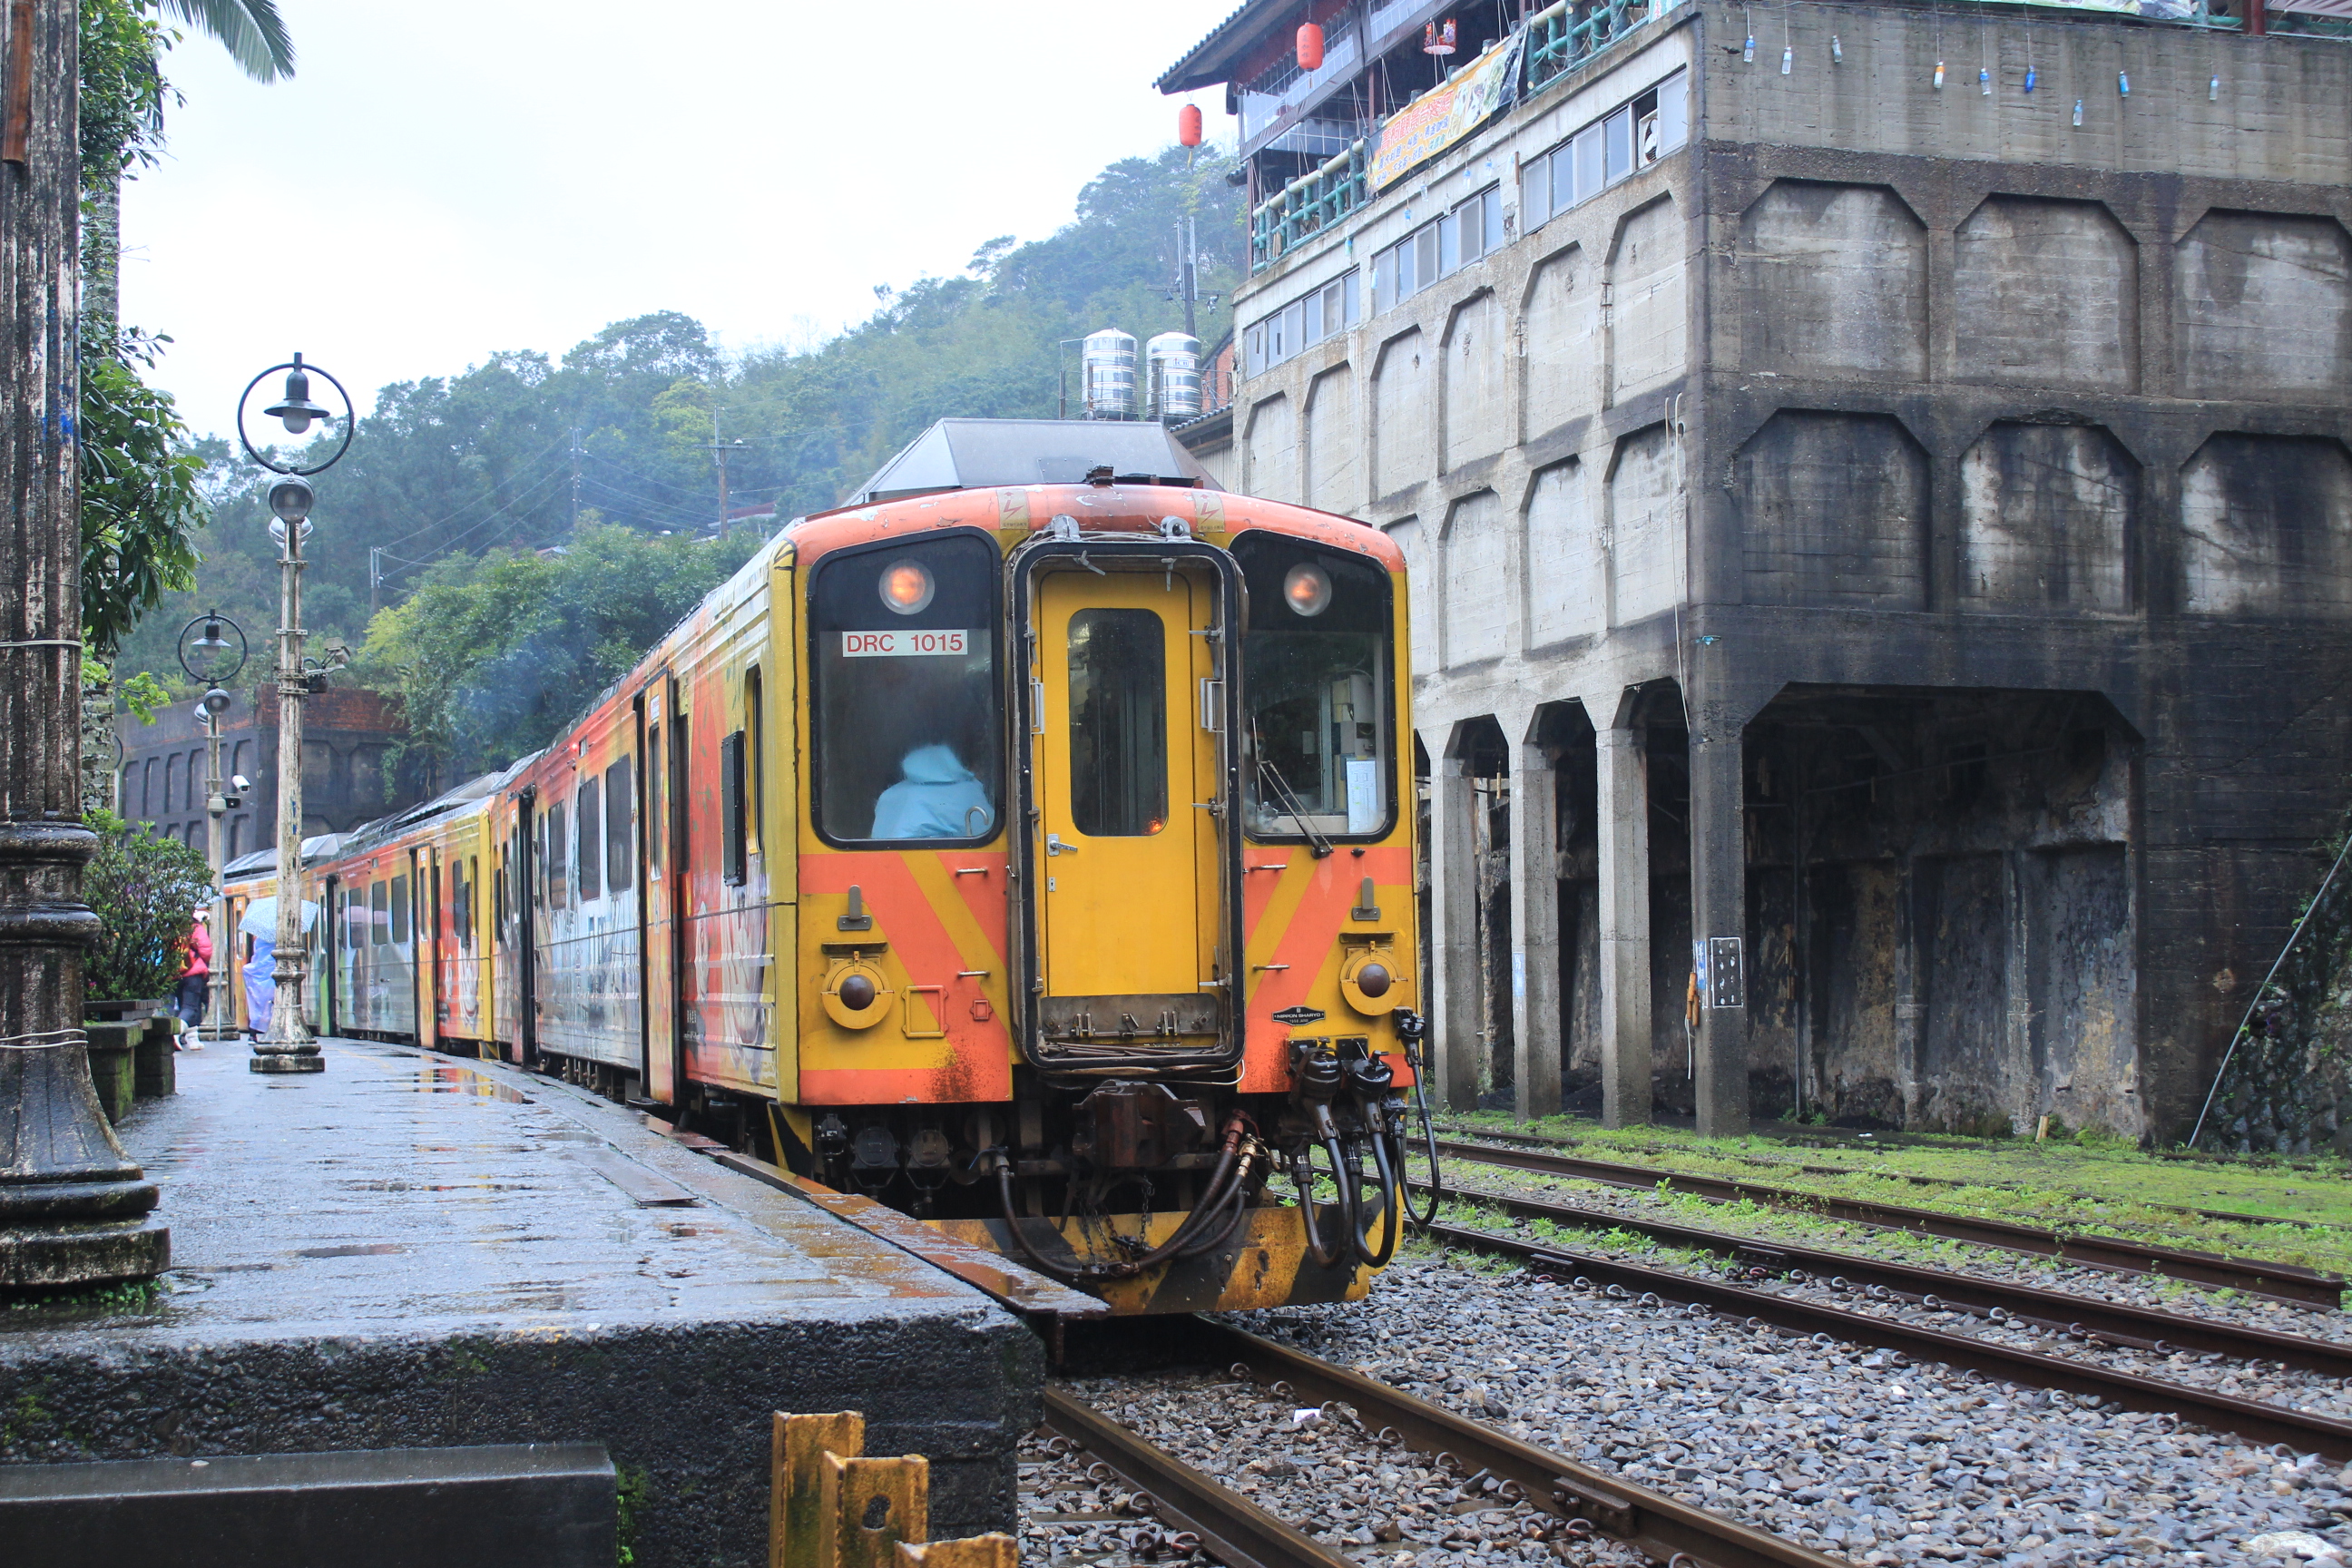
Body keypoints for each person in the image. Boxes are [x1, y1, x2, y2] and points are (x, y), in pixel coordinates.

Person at [869, 743, 993, 839]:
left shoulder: (890, 795)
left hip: (887, 867)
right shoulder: (968, 790)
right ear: (954, 763)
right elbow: (985, 829)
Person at [175, 907, 212, 1045]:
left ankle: (193, 1040)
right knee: (190, 1006)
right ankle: (176, 1031)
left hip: (173, 973)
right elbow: (206, 949)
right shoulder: (194, 927)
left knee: (181, 1004)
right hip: (193, 972)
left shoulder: (167, 928)